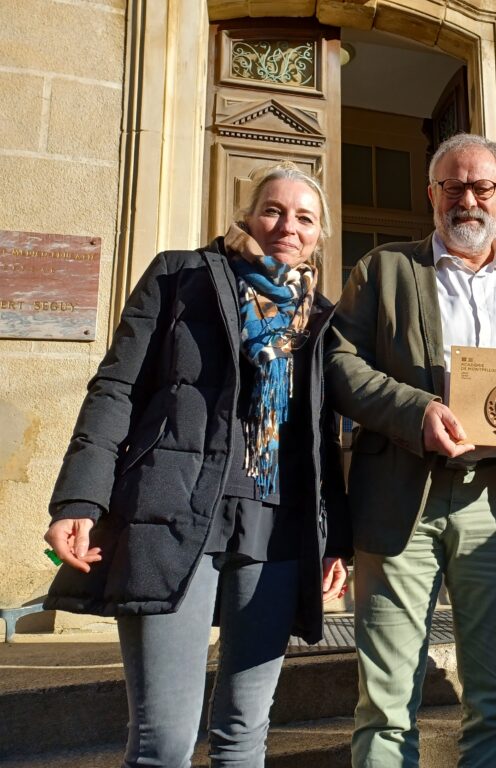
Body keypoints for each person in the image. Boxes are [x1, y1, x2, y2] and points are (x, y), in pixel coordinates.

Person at [43, 162, 350, 767]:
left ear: (319, 236)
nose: (287, 226)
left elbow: (322, 436)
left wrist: (333, 538)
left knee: (243, 736)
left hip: (277, 530)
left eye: (305, 218)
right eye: (273, 210)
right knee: (165, 742)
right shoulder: (179, 276)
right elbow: (115, 390)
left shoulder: (319, 317)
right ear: (247, 216)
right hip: (171, 515)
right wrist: (79, 500)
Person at [324, 132, 496, 768]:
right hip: (399, 497)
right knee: (387, 700)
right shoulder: (384, 269)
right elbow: (337, 366)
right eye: (453, 186)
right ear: (431, 195)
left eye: (482, 187)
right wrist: (415, 412)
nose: (467, 199)